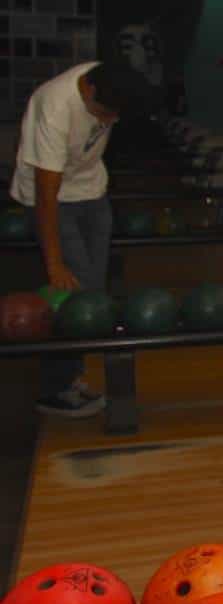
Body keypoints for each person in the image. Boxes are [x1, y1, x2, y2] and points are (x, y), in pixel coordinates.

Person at [9, 59, 151, 417]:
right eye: (104, 113)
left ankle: (70, 378)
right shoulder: (55, 105)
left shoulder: (108, 77)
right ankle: (53, 389)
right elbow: (45, 193)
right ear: (87, 90)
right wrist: (54, 262)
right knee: (75, 297)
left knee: (92, 295)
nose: (108, 122)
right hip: (51, 201)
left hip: (92, 193)